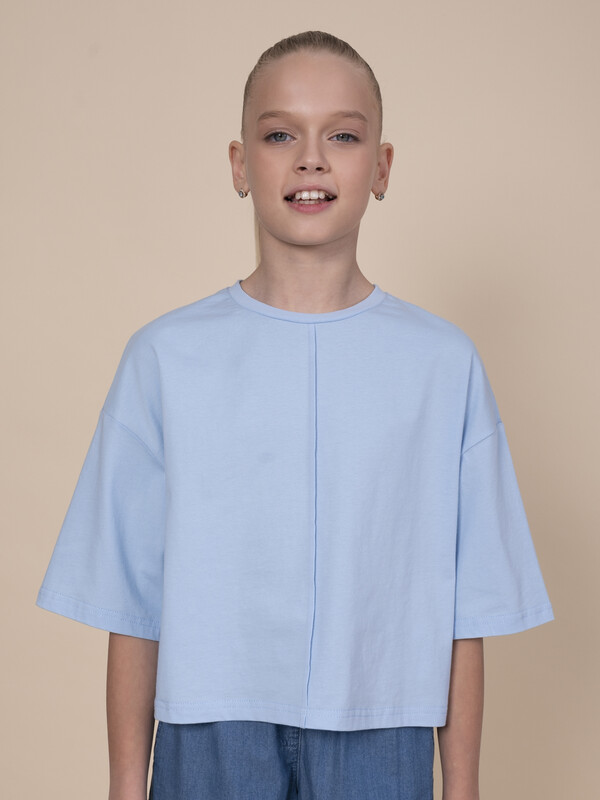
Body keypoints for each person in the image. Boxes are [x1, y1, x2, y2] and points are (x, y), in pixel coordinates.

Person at [36, 30, 554, 800]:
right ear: (240, 164)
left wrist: (464, 787)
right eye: (281, 135)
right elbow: (131, 597)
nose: (311, 159)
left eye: (343, 136)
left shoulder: (441, 365)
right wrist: (123, 786)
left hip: (384, 722)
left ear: (382, 167)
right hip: (208, 725)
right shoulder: (166, 358)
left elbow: (465, 605)